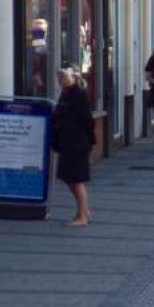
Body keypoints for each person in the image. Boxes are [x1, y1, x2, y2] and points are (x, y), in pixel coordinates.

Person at [52, 65, 95, 227]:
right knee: (68, 178)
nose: (60, 79)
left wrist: (89, 145)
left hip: (77, 143)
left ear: (72, 77)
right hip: (66, 142)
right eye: (59, 76)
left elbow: (87, 122)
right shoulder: (65, 93)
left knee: (76, 180)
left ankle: (83, 216)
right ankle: (83, 210)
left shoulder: (78, 94)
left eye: (63, 76)